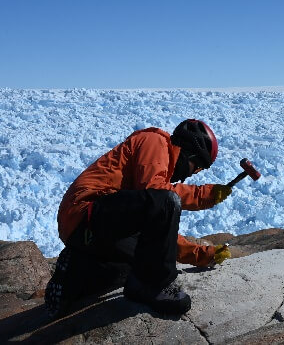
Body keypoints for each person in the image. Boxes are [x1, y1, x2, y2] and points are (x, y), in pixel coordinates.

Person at [45, 119, 233, 318]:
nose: (192, 174)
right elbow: (157, 194)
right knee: (166, 201)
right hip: (86, 212)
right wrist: (204, 194)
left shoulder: (148, 189)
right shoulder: (156, 142)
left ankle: (71, 279)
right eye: (197, 167)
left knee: (142, 261)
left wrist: (203, 254)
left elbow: (159, 243)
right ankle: (157, 286)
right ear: (189, 152)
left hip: (89, 230)